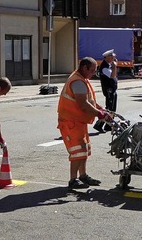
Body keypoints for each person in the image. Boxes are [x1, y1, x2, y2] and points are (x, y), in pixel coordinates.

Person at [57, 57, 111, 189]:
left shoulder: (81, 79)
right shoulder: (78, 82)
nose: (93, 74)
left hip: (77, 122)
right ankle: (73, 180)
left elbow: (89, 101)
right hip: (71, 122)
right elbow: (83, 104)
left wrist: (100, 109)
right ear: (84, 68)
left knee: (83, 150)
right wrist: (99, 114)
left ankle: (83, 176)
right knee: (77, 151)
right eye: (92, 71)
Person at [93, 49, 118, 133]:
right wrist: (114, 66)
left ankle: (108, 125)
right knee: (109, 109)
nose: (114, 57)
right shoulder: (104, 67)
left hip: (112, 90)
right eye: (112, 56)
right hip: (109, 90)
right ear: (107, 57)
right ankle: (98, 125)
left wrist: (113, 66)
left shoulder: (109, 65)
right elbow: (112, 76)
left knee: (113, 109)